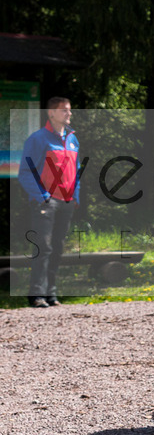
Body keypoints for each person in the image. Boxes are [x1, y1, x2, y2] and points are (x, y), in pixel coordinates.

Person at [17, 97, 80, 308]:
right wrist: (43, 196)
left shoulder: (73, 139)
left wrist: (75, 196)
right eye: (64, 110)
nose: (69, 114)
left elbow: (76, 171)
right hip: (46, 201)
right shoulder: (38, 139)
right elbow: (26, 172)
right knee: (43, 247)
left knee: (57, 248)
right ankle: (37, 295)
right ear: (51, 113)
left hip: (66, 201)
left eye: (69, 110)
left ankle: (51, 294)